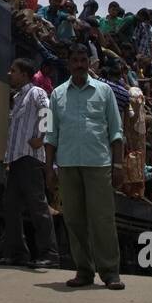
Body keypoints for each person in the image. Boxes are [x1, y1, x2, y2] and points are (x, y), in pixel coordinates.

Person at [44, 43, 126, 289]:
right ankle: (83, 271)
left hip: (98, 164)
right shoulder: (56, 95)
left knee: (102, 219)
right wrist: (49, 168)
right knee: (74, 220)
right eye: (75, 60)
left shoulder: (104, 92)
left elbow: (116, 130)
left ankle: (110, 272)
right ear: (69, 64)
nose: (79, 64)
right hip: (68, 165)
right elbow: (50, 133)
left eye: (83, 60)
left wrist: (119, 164)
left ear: (88, 63)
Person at [0, 59, 59, 268]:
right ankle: (17, 254)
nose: (10, 74)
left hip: (31, 158)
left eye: (13, 71)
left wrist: (41, 137)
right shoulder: (17, 98)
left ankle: (49, 254)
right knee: (11, 207)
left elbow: (47, 113)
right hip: (15, 158)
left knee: (37, 206)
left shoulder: (36, 93)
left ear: (24, 74)